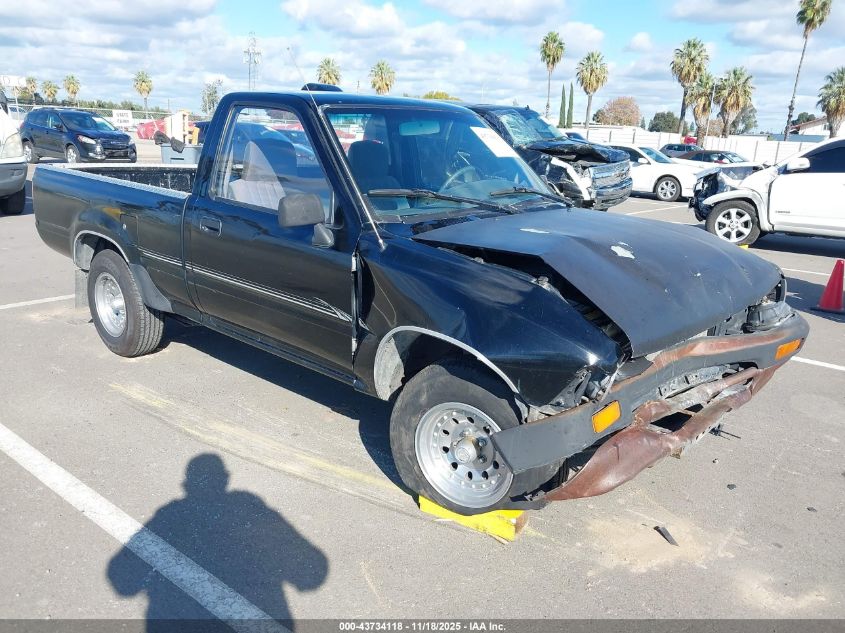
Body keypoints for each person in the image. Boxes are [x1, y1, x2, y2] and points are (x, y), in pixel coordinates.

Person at [107, 454, 327, 632]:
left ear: (186, 483)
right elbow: (313, 573)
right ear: (225, 478)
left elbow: (122, 579)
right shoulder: (250, 508)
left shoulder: (170, 515)